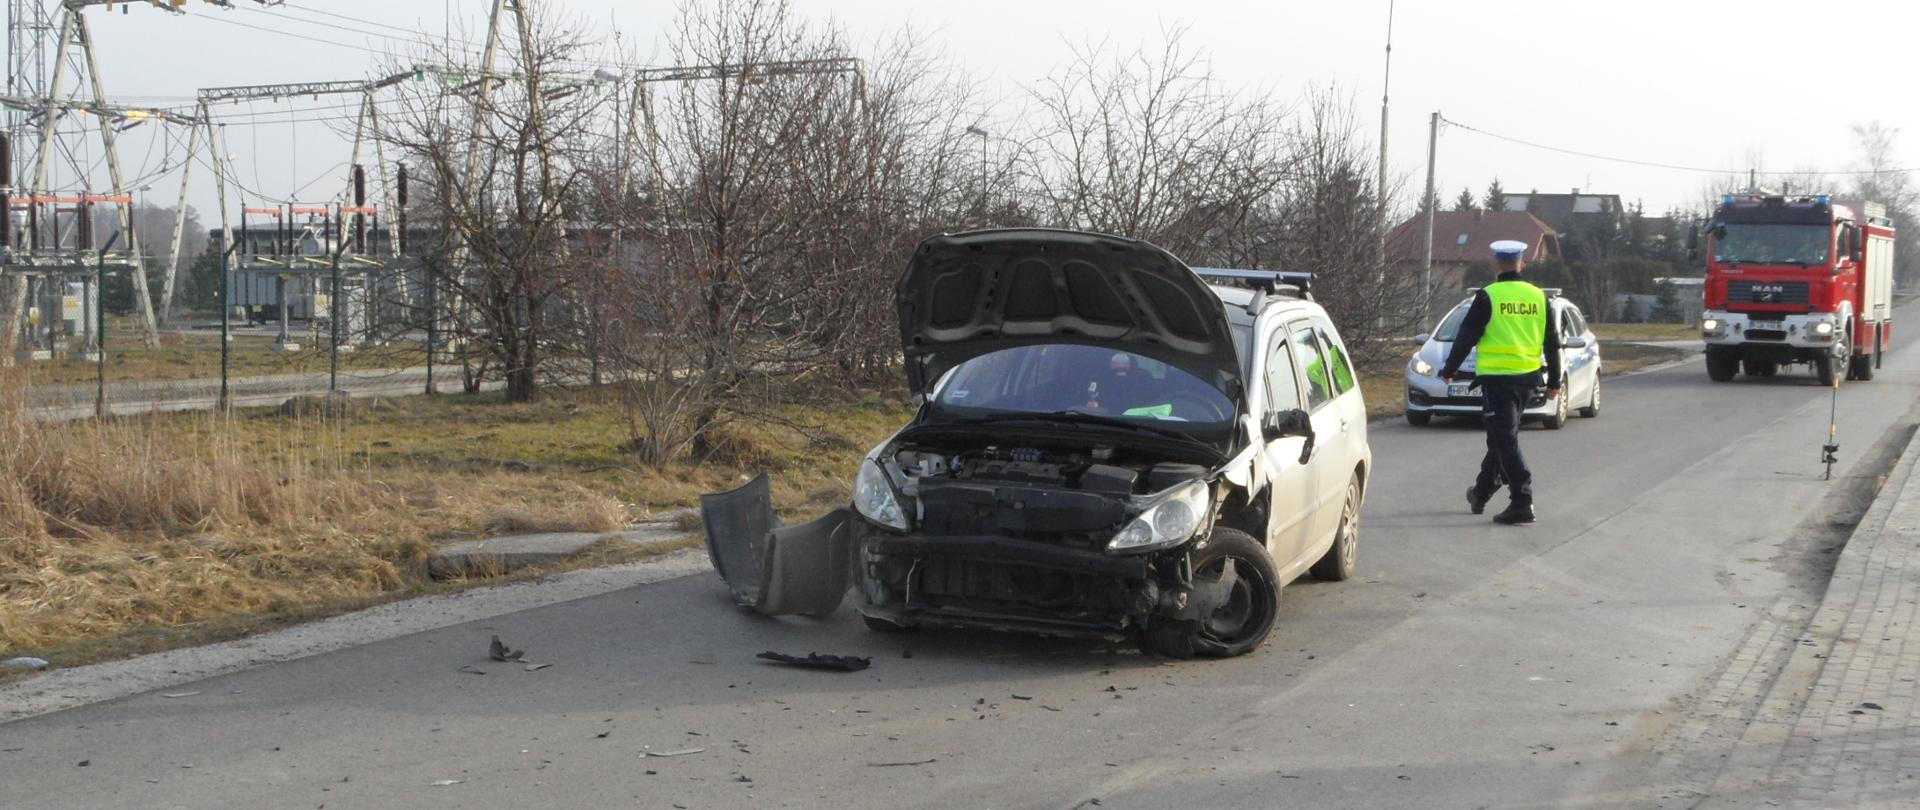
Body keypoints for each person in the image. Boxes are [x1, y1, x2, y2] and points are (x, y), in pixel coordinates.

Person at [1440, 240, 1563, 525]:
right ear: (1522, 263)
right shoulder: (1538, 297)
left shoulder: (1488, 296)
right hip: (1528, 380)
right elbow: (1552, 342)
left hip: (1498, 381)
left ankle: (1522, 498)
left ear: (1496, 263)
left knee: (1504, 438)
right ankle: (1481, 492)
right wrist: (1554, 380)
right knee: (1502, 438)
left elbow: (1466, 335)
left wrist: (1449, 369)